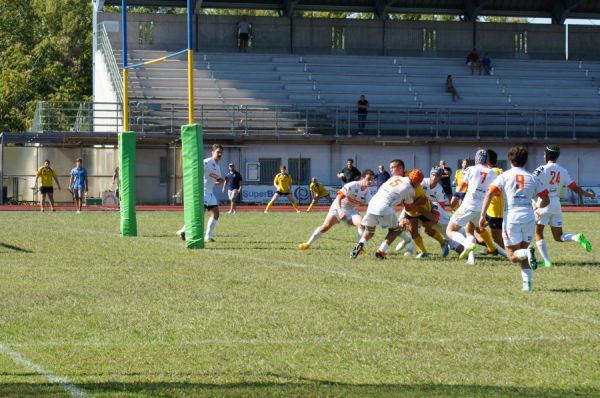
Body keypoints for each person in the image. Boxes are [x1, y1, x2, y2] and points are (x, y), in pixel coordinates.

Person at [480, 146, 549, 292]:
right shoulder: (532, 177)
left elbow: (489, 193)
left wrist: (482, 215)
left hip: (512, 217)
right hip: (529, 217)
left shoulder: (504, 176)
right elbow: (546, 199)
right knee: (523, 251)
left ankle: (527, 254)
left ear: (510, 159)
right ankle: (527, 284)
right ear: (525, 160)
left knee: (512, 256)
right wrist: (536, 207)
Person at [533, 145, 595, 267]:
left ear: (545, 156)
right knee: (558, 236)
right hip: (556, 204)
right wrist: (588, 194)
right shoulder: (562, 170)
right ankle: (576, 237)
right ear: (557, 157)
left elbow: (530, 181)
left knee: (538, 233)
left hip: (543, 202)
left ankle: (546, 262)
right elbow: (574, 188)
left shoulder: (541, 169)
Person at [351, 163, 423, 260]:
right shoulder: (410, 190)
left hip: (373, 203)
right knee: (395, 230)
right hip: (384, 207)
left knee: (370, 230)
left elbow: (381, 188)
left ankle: (360, 244)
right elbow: (409, 208)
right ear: (417, 182)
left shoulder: (396, 177)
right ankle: (381, 251)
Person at [300, 170, 375, 250]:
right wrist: (339, 211)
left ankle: (359, 249)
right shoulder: (352, 185)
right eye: (368, 179)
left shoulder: (368, 193)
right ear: (362, 178)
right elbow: (339, 197)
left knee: (361, 224)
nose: (370, 181)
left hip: (351, 210)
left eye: (372, 179)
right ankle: (307, 244)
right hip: (337, 207)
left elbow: (371, 205)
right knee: (325, 227)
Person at [446, 149, 498, 265]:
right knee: (470, 231)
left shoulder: (471, 169)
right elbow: (496, 192)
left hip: (469, 204)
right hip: (482, 207)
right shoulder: (493, 173)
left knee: (450, 230)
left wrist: (454, 200)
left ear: (476, 159)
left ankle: (467, 244)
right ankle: (471, 259)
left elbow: (461, 187)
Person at [177, 144, 225, 242]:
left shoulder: (217, 166)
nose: (219, 154)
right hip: (203, 192)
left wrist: (220, 181)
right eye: (218, 152)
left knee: (216, 214)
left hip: (210, 193)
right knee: (199, 214)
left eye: (221, 153)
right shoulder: (207, 162)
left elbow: (215, 180)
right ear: (212, 152)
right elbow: (196, 169)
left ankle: (207, 237)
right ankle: (183, 231)